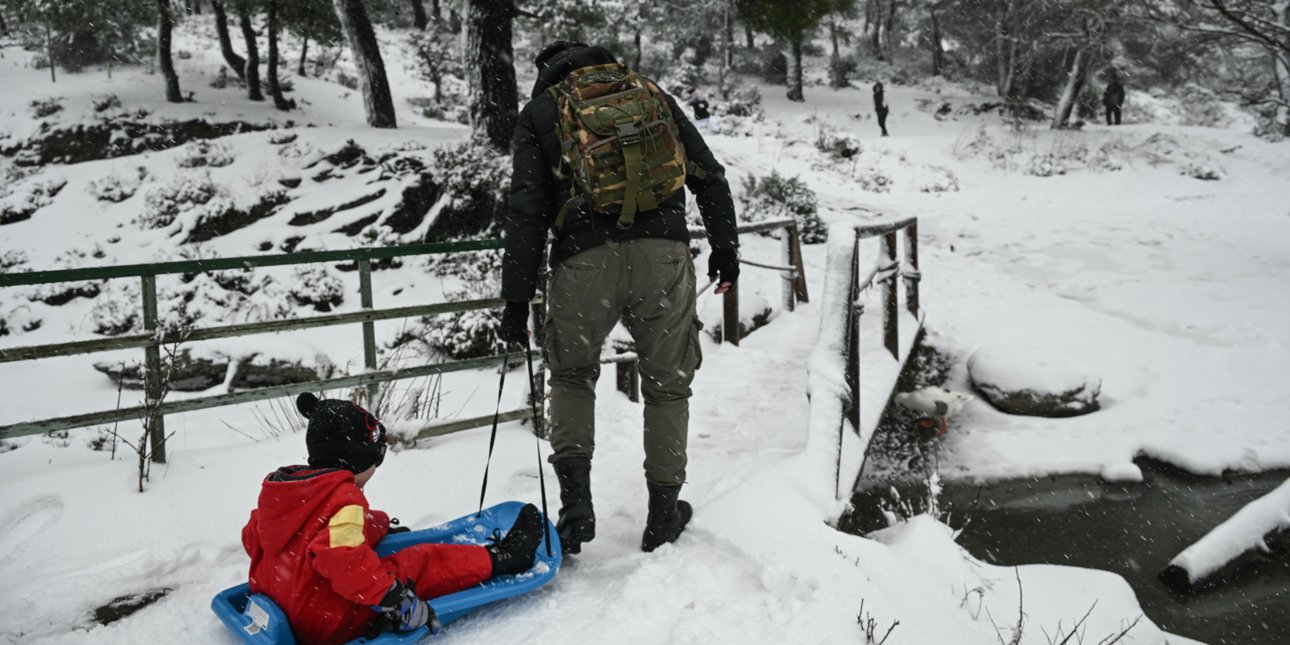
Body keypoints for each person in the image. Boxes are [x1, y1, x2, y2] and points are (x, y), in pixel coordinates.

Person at [499, 41, 740, 555]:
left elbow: (526, 214)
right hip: (664, 258)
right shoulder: (652, 95)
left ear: (548, 73)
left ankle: (576, 506)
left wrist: (515, 301)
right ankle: (662, 514)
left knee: (570, 375)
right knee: (668, 386)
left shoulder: (541, 113)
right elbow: (708, 173)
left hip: (582, 263)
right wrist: (725, 247)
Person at [241, 393, 543, 645]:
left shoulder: (285, 488)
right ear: (359, 459)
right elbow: (342, 561)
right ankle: (504, 558)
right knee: (421, 561)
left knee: (356, 546)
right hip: (324, 622)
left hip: (280, 600)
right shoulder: (343, 499)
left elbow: (256, 538)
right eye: (378, 456)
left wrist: (378, 525)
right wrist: (396, 599)